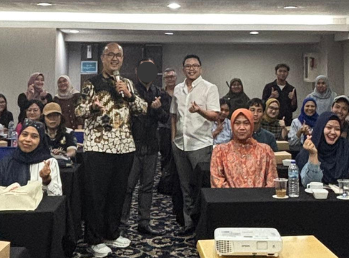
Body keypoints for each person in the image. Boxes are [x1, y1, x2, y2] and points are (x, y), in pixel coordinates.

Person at [75, 42, 148, 257]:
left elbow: (142, 108)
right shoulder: (91, 84)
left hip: (124, 146)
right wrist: (92, 107)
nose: (115, 58)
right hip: (98, 147)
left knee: (118, 194)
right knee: (96, 195)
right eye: (110, 55)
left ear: (122, 59)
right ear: (103, 58)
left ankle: (111, 234)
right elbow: (79, 111)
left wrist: (129, 95)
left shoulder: (127, 83)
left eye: (118, 55)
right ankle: (94, 239)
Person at [171, 54, 221, 233]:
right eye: (188, 66)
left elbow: (215, 115)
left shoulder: (210, 88)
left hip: (200, 144)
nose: (191, 68)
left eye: (195, 66)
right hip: (180, 144)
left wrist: (199, 110)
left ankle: (202, 224)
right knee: (185, 186)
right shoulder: (178, 89)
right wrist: (173, 139)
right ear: (183, 69)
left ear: (201, 68)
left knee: (201, 186)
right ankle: (188, 224)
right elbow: (173, 115)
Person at [119, 65, 165, 237]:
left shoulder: (159, 92)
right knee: (127, 187)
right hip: (132, 146)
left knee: (147, 187)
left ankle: (144, 223)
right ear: (137, 72)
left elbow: (165, 118)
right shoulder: (130, 91)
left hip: (152, 146)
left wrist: (157, 109)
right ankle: (122, 223)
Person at [296, 116, 349, 188]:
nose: (333, 132)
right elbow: (309, 184)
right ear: (320, 128)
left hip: (345, 195)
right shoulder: (309, 149)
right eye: (329, 127)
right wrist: (313, 156)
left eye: (337, 129)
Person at [210, 109, 278, 188]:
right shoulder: (220, 151)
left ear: (252, 125)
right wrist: (236, 194)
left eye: (246, 123)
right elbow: (217, 181)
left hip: (260, 195)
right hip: (229, 195)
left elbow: (272, 181)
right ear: (232, 126)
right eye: (237, 123)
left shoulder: (265, 150)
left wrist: (260, 195)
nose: (242, 128)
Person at [0, 121, 63, 197]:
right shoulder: (6, 162)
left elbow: (57, 195)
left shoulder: (49, 162)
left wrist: (46, 180)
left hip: (41, 204)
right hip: (8, 203)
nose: (27, 139)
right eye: (24, 134)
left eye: (34, 136)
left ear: (41, 140)